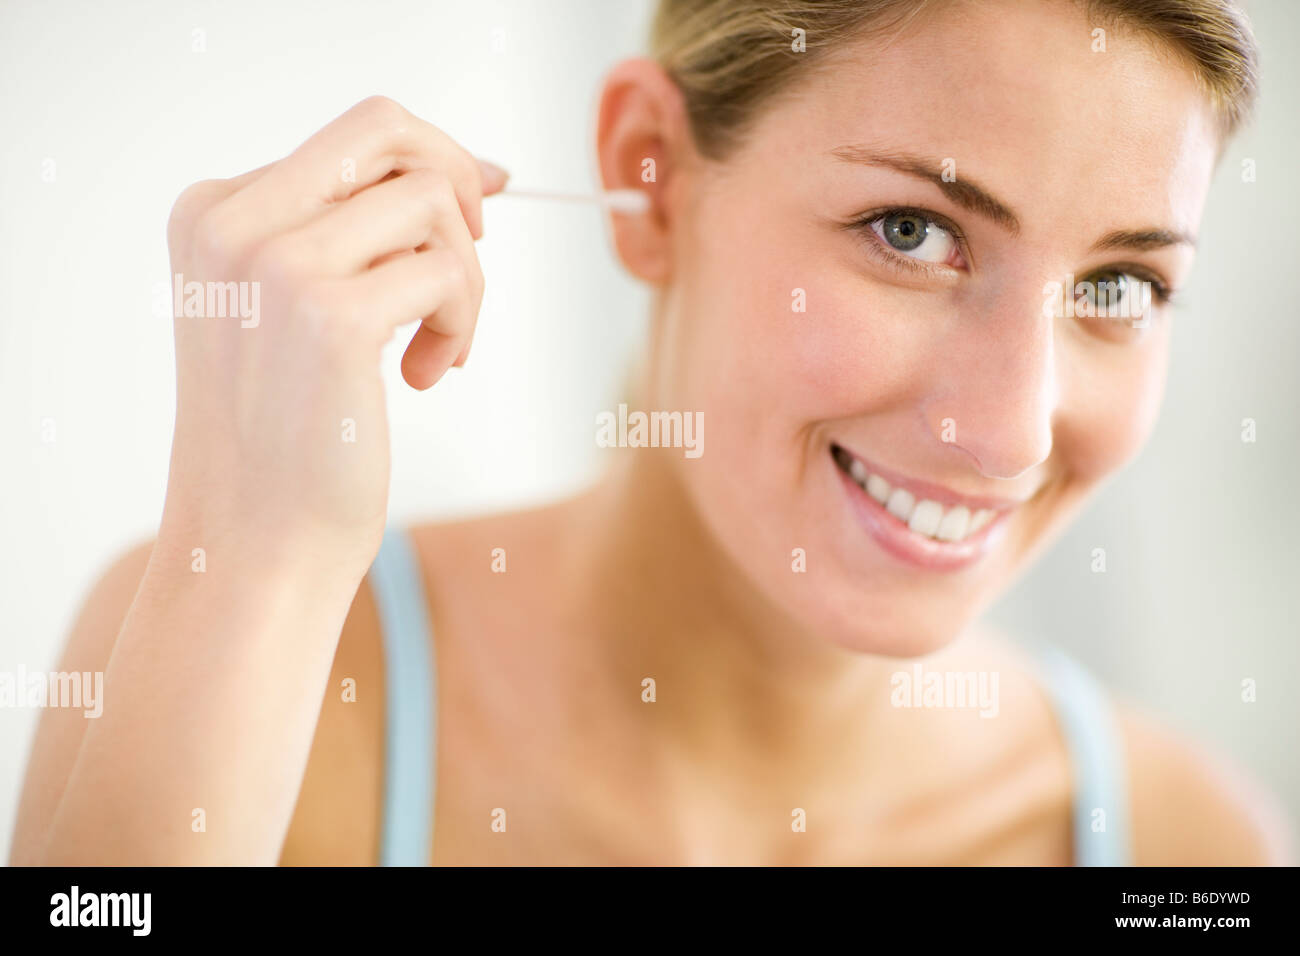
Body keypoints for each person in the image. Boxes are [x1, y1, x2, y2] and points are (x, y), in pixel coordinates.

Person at [12, 0, 1291, 865]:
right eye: (911, 231)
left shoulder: (1188, 846)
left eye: (1117, 287)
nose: (1008, 432)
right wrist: (257, 557)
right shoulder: (272, 668)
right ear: (648, 177)